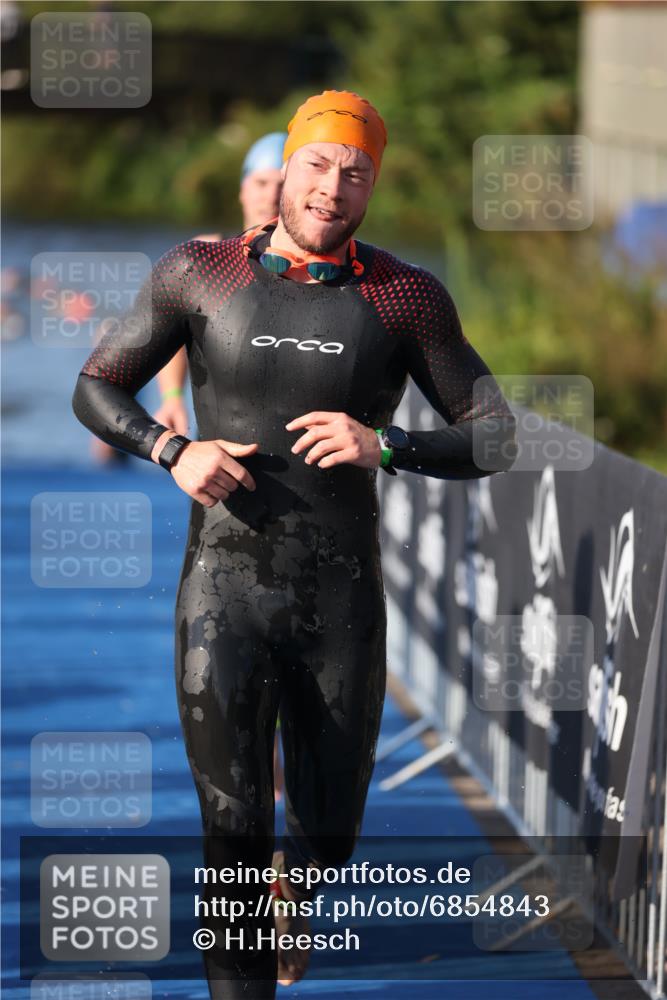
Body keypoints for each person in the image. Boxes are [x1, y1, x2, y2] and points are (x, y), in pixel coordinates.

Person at [72, 90, 517, 997]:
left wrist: (383, 444)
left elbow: (495, 436)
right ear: (284, 176)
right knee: (231, 824)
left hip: (339, 602)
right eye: (317, 166)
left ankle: (299, 882)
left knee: (327, 832)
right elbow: (96, 386)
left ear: (370, 188)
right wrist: (172, 450)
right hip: (222, 593)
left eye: (354, 174)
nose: (331, 189)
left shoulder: (401, 297)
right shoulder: (202, 273)